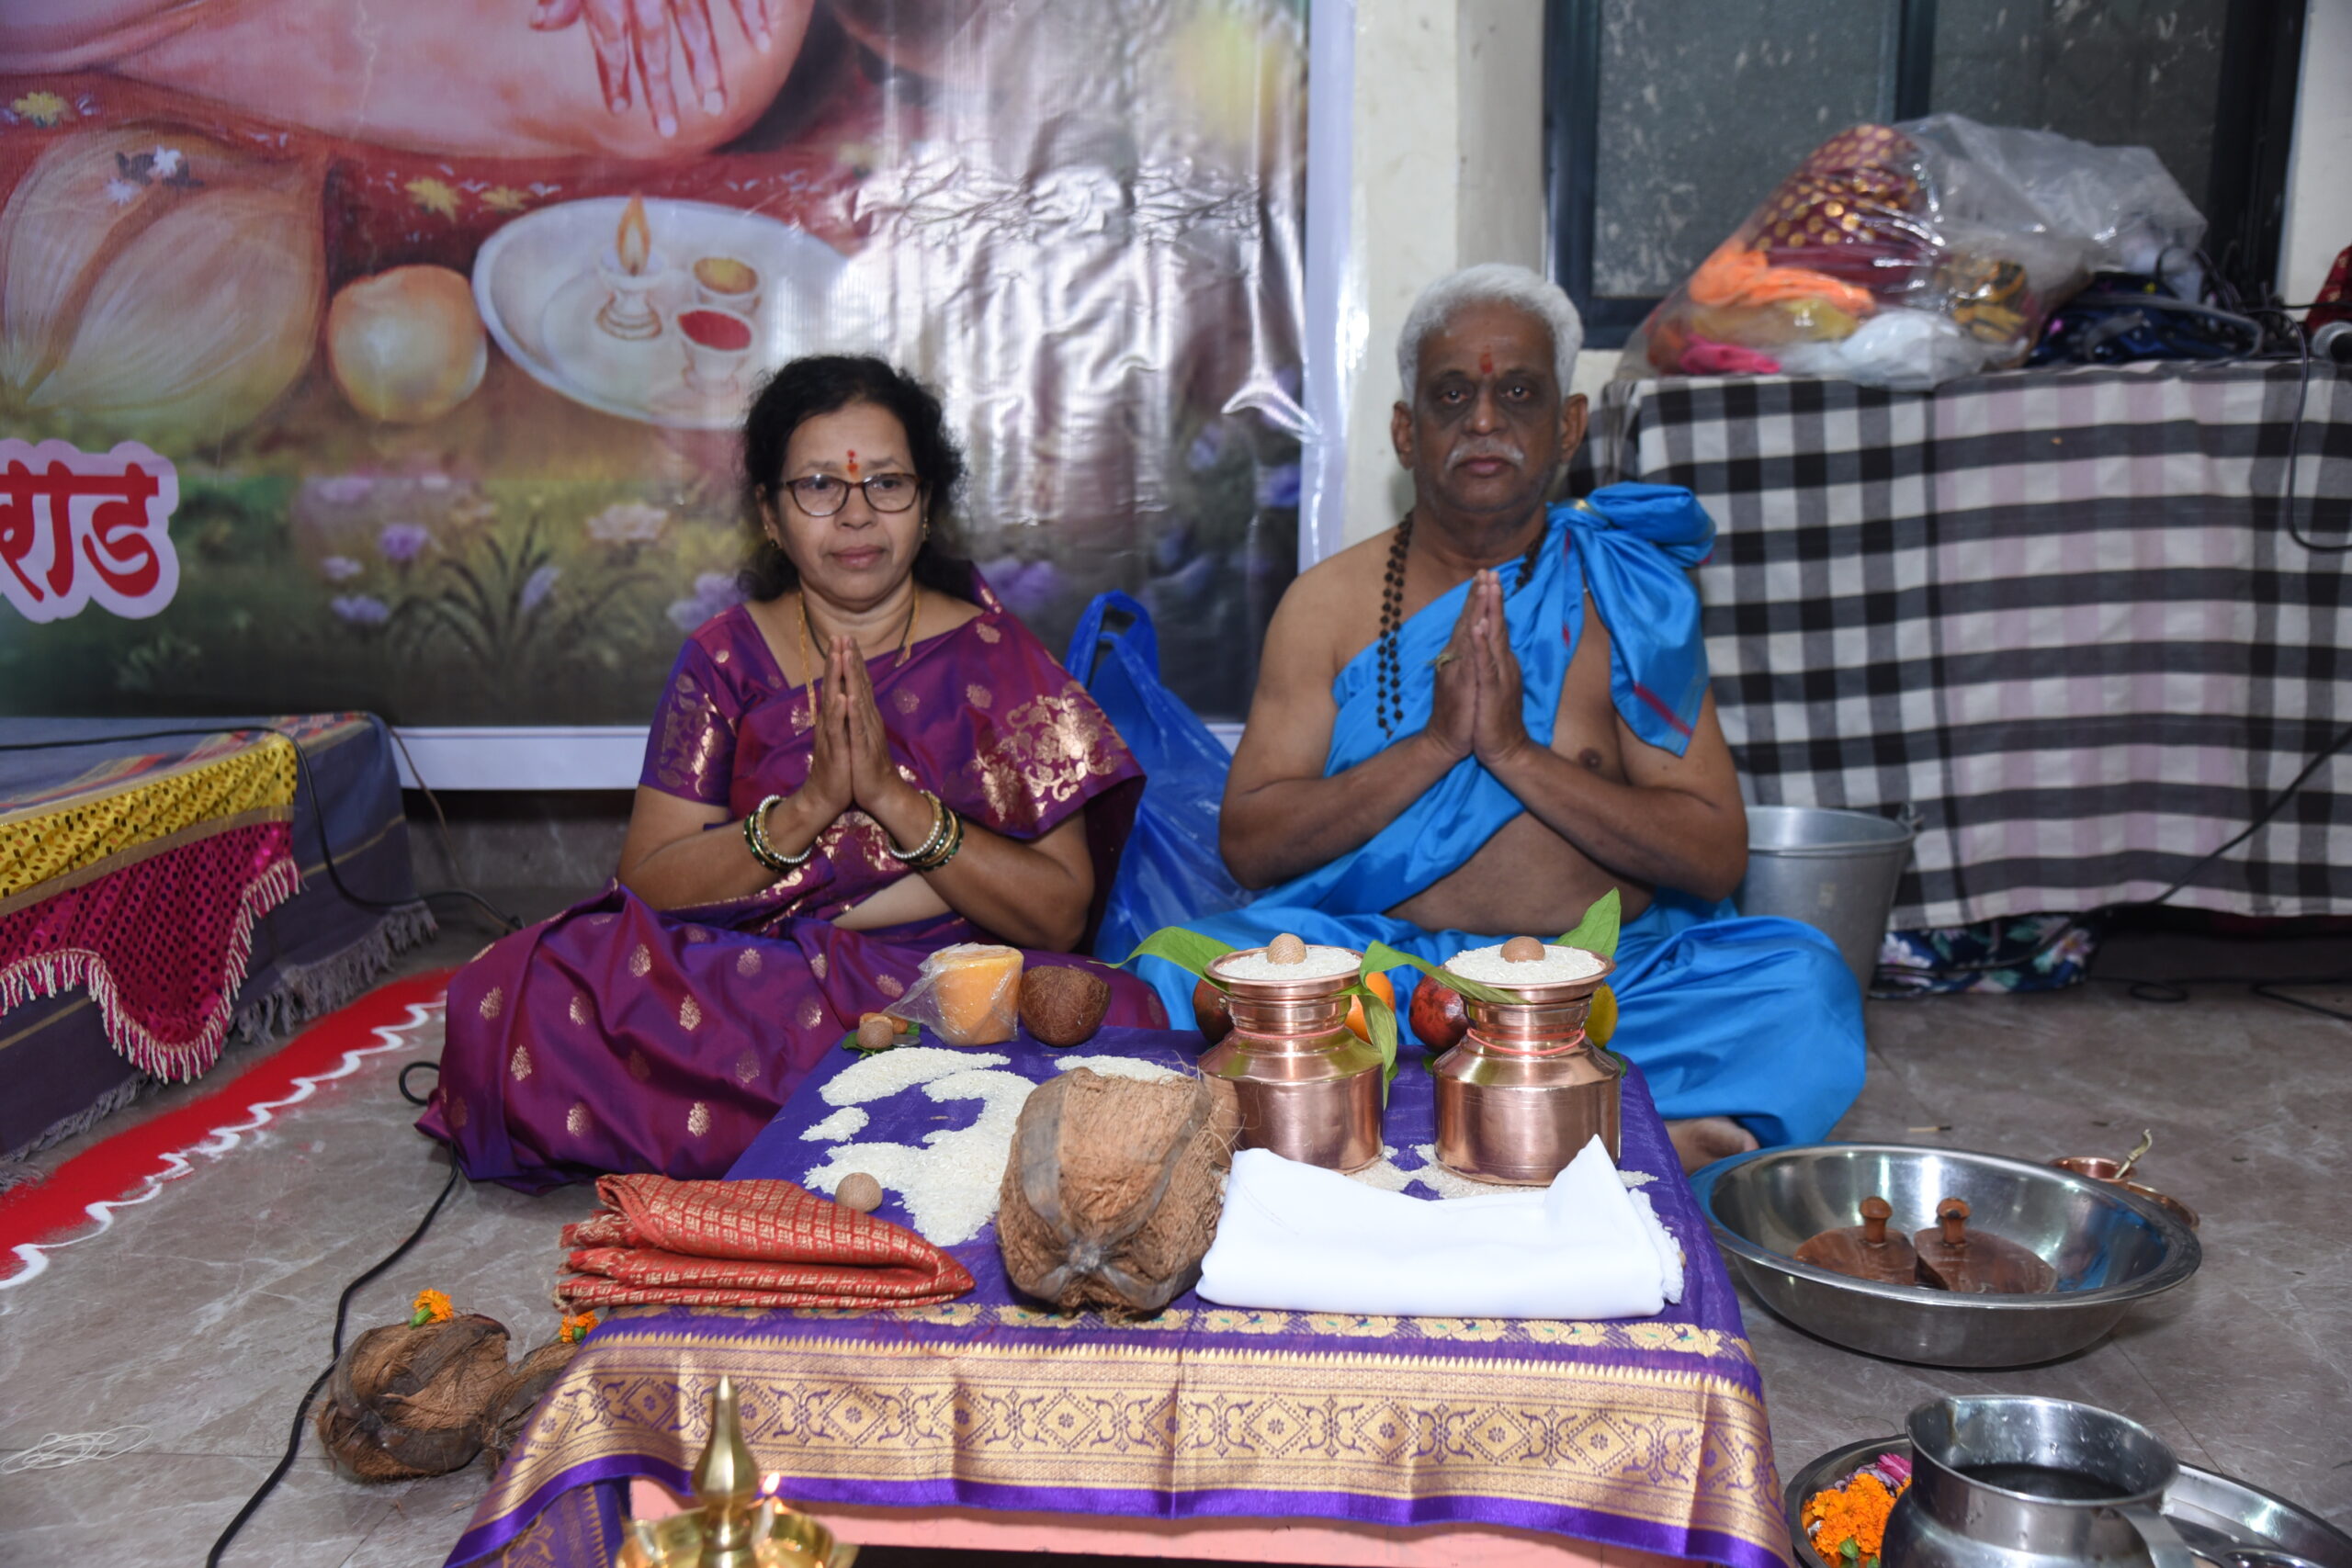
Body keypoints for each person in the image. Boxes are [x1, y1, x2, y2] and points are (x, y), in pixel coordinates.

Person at [1137, 264, 1864, 1172]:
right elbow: (1250, 844)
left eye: (1517, 392)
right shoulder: (1325, 606)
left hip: (1595, 985)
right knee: (1178, 968)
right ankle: (1604, 1137)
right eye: (1452, 395)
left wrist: (1516, 753)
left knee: (1803, 988)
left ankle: (1376, 1129)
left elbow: (1714, 853)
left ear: (1568, 425)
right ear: (1407, 432)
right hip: (1383, 975)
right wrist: (1437, 745)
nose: (1483, 421)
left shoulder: (1630, 597)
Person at [422, 355, 1164, 1190]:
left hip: (941, 985)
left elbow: (1060, 914)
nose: (856, 513)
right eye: (818, 486)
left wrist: (894, 802)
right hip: (754, 983)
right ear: (771, 516)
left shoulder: (999, 659)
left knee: (1122, 1011)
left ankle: (816, 1125)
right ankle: (906, 1124)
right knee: (529, 983)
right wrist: (804, 811)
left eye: (887, 483)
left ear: (926, 508)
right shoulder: (723, 660)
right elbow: (648, 884)